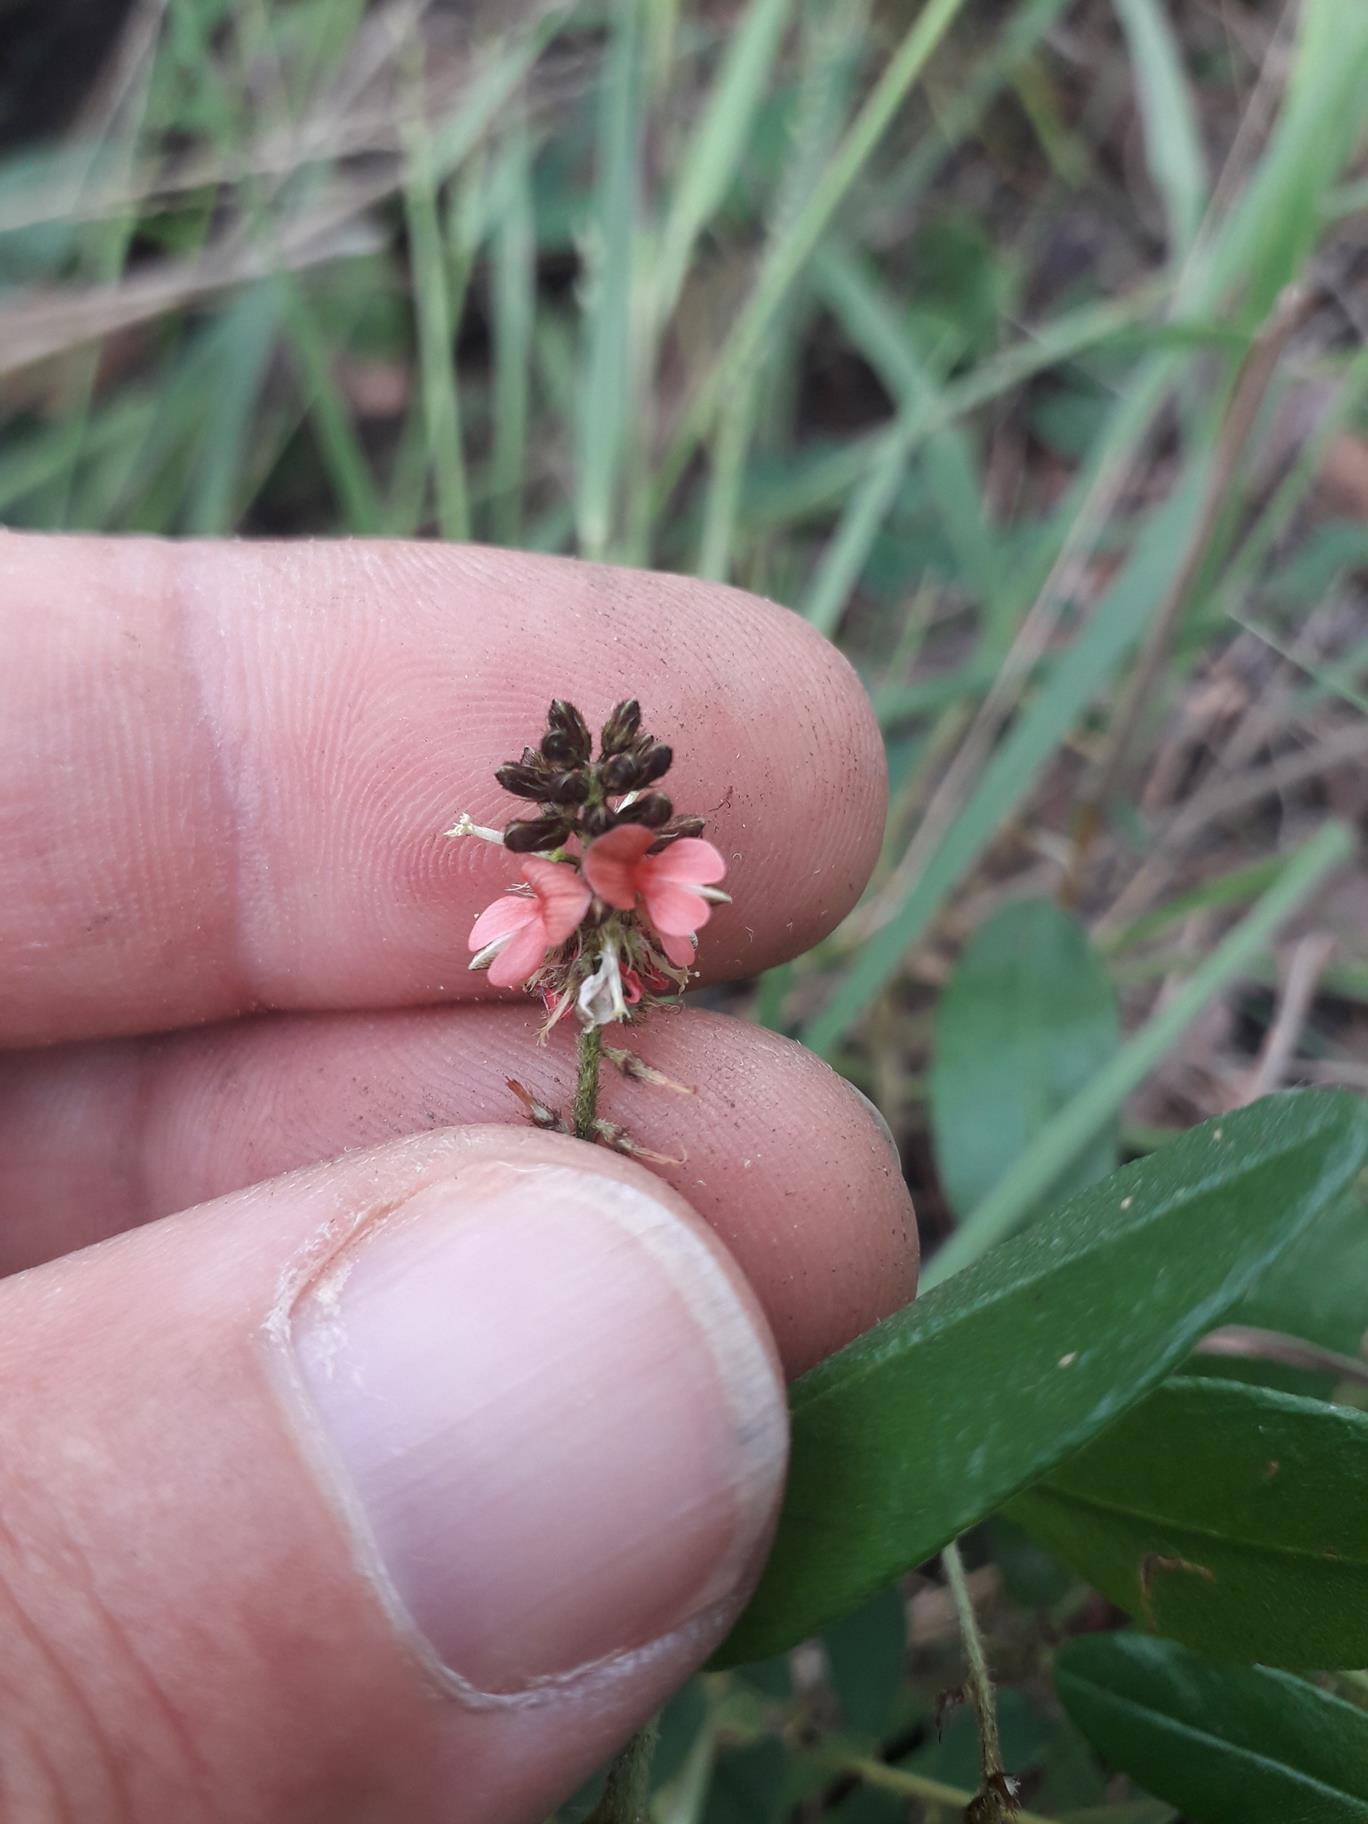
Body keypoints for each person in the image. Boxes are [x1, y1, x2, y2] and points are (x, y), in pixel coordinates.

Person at [0, 532, 918, 1822]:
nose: (649, 881)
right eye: (635, 870)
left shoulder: (631, 889)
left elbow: (647, 895)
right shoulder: (567, 903)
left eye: (646, 869)